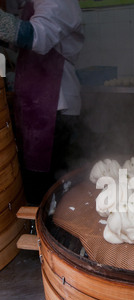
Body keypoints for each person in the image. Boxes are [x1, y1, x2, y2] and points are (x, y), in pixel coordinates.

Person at [0, 0, 84, 204]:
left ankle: (55, 231)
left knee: (54, 188)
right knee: (36, 183)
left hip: (56, 108)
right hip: (33, 105)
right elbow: (16, 42)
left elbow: (37, 36)